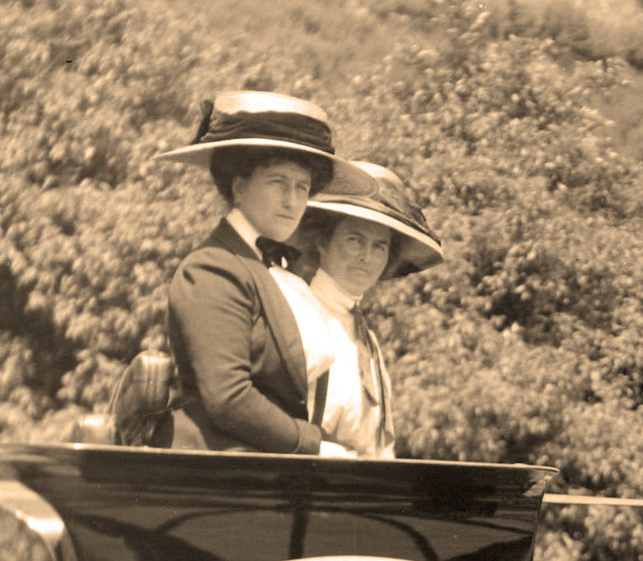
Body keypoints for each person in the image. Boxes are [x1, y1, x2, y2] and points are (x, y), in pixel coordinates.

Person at [153, 90, 374, 454]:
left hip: (269, 467)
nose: (292, 202)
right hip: (215, 470)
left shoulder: (277, 272)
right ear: (239, 186)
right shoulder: (213, 267)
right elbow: (228, 397)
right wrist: (312, 444)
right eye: (278, 183)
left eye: (302, 188)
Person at [285, 161, 447, 458]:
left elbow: (380, 445)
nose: (366, 257)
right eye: (354, 240)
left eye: (379, 246)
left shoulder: (368, 341)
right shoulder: (296, 311)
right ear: (323, 241)